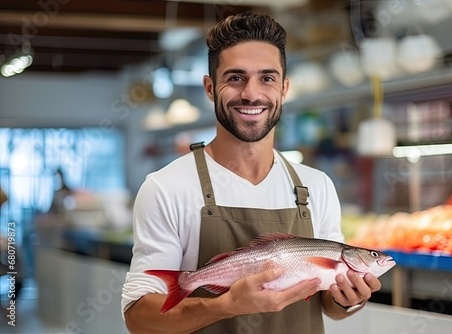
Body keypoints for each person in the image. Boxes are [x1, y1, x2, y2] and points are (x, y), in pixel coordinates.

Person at [122, 12, 382, 333]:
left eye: (267, 78)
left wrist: (348, 299)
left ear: (284, 88)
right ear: (209, 87)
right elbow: (138, 319)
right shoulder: (166, 187)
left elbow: (329, 305)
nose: (251, 93)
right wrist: (226, 305)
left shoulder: (316, 185)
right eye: (235, 77)